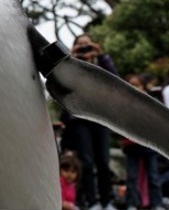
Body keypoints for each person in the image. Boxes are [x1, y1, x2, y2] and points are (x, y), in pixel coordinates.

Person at [60, 33, 117, 210]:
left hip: (102, 117)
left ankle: (107, 201)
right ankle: (93, 202)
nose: (85, 49)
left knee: (103, 161)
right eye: (81, 45)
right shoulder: (71, 64)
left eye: (88, 45)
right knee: (86, 160)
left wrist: (100, 55)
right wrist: (70, 58)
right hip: (79, 118)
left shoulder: (101, 63)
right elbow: (61, 82)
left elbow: (115, 80)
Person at [121, 74, 163, 210]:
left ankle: (157, 203)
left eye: (137, 85)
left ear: (144, 87)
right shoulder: (123, 105)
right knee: (131, 177)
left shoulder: (150, 103)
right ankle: (132, 203)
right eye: (131, 85)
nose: (135, 88)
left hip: (149, 145)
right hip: (131, 146)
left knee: (153, 177)